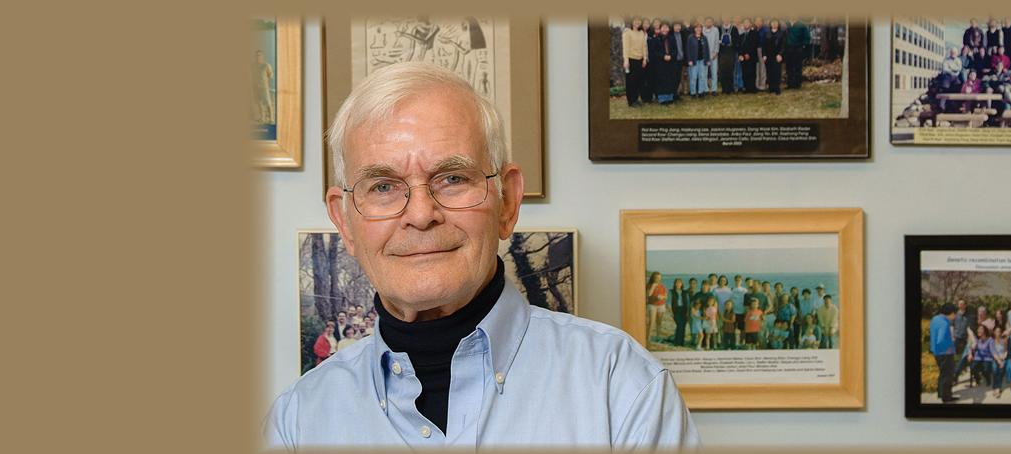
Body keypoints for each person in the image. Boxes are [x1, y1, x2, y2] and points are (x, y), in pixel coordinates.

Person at [264, 62, 700, 448]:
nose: (420, 215)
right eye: (382, 186)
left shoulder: (622, 389)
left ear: (507, 203)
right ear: (345, 223)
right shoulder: (297, 425)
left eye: (452, 177)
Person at [929, 302, 958, 402]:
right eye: (955, 314)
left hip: (937, 352)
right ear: (951, 313)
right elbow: (940, 340)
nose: (955, 316)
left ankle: (941, 394)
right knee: (947, 375)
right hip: (945, 354)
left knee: (942, 374)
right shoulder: (944, 324)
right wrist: (946, 349)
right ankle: (947, 398)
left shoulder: (935, 319)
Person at [649, 20, 679, 104]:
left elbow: (675, 50)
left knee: (670, 79)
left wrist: (670, 56)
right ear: (660, 28)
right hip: (660, 63)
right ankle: (662, 98)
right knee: (661, 80)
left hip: (670, 62)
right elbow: (654, 51)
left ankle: (670, 97)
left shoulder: (672, 38)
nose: (665, 29)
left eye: (666, 27)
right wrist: (663, 57)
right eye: (663, 27)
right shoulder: (656, 39)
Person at [622, 17, 649, 107]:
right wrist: (626, 61)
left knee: (638, 81)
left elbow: (643, 47)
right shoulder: (627, 33)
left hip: (640, 60)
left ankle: (636, 99)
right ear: (632, 22)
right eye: (635, 21)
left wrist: (644, 58)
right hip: (631, 59)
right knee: (631, 81)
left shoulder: (641, 33)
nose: (637, 22)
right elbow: (626, 47)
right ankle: (631, 101)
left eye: (639, 21)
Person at [784, 15, 810, 90]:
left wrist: (803, 46)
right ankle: (790, 83)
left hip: (798, 48)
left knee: (797, 66)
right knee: (789, 67)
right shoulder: (786, 24)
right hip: (788, 48)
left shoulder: (802, 25)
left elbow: (807, 37)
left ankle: (797, 83)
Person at [685, 24, 711, 99]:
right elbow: (688, 50)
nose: (698, 29)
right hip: (694, 61)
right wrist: (689, 60)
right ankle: (693, 93)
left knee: (702, 77)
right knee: (693, 77)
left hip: (702, 61)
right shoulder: (690, 38)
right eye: (697, 28)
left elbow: (707, 49)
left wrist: (707, 60)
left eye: (699, 28)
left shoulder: (704, 38)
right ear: (694, 29)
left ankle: (700, 92)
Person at [717, 15, 741, 95]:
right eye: (724, 18)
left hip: (731, 51)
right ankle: (724, 88)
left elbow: (737, 40)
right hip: (722, 52)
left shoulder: (734, 29)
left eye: (728, 18)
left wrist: (730, 41)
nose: (726, 19)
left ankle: (730, 88)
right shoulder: (719, 28)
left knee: (730, 70)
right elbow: (717, 39)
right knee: (722, 70)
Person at [738, 18, 761, 94]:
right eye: (744, 23)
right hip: (743, 57)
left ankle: (752, 88)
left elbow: (754, 45)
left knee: (752, 72)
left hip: (752, 56)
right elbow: (740, 46)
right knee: (745, 72)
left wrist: (748, 53)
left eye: (747, 23)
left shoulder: (754, 33)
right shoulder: (741, 35)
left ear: (751, 24)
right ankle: (746, 87)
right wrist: (741, 54)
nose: (746, 24)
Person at [252, 50, 275, 124]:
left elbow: (270, 76)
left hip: (264, 87)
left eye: (259, 55)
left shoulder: (266, 65)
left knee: (268, 103)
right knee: (259, 103)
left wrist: (264, 80)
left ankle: (271, 119)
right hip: (255, 87)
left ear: (262, 56)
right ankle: (263, 118)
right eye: (256, 55)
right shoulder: (253, 65)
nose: (258, 56)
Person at [646, 272, 668, 343]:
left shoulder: (662, 286)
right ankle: (648, 336)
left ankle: (658, 337)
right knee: (651, 321)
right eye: (657, 278)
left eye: (659, 278)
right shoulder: (649, 285)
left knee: (659, 322)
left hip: (661, 305)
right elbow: (649, 294)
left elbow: (666, 296)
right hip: (652, 305)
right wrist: (653, 286)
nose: (658, 279)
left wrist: (662, 297)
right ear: (653, 278)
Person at [669, 278, 691, 346]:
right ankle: (677, 341)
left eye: (679, 283)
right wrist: (671, 312)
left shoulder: (685, 292)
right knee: (679, 325)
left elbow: (688, 303)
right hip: (676, 310)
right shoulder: (671, 292)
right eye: (677, 283)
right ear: (675, 284)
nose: (678, 284)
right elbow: (669, 303)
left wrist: (688, 312)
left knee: (683, 326)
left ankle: (681, 342)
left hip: (684, 310)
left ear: (682, 284)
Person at [702, 17, 721, 94]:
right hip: (704, 55)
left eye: (710, 22)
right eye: (707, 21)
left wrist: (715, 52)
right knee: (704, 73)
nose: (709, 23)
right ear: (705, 22)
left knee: (714, 72)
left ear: (713, 22)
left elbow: (717, 41)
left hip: (713, 54)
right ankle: (705, 89)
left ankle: (714, 89)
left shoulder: (715, 30)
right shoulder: (702, 30)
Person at [989, 326, 1008, 398]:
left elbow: (1006, 350)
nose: (998, 333)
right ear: (994, 332)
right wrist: (998, 359)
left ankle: (997, 388)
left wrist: (1004, 356)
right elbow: (992, 352)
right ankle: (996, 387)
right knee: (994, 369)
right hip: (995, 358)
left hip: (1003, 358)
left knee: (1001, 369)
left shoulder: (1003, 340)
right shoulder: (991, 341)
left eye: (1000, 331)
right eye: (997, 331)